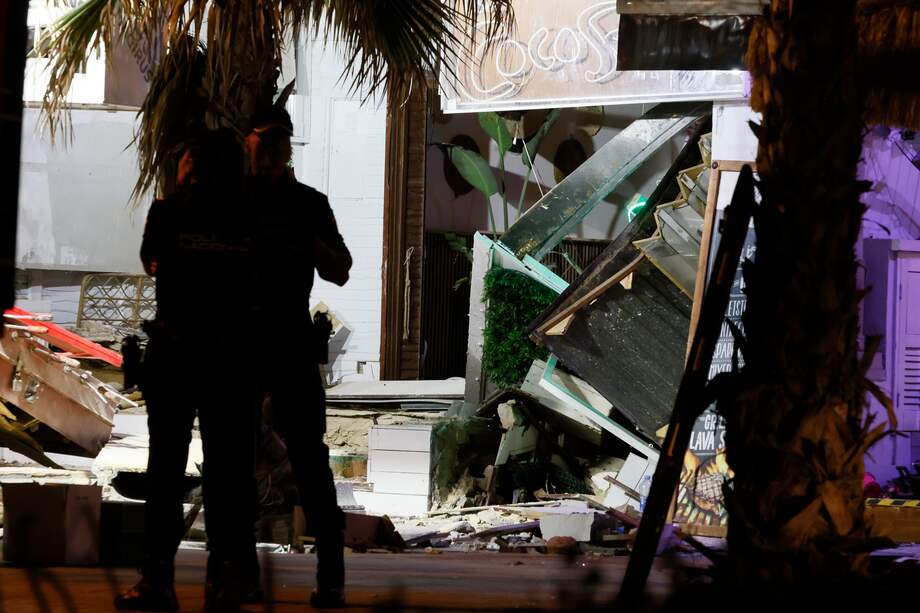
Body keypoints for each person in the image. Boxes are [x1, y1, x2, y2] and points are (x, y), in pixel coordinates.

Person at [116, 129, 258, 612]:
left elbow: (152, 262)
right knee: (228, 476)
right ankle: (222, 583)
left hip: (177, 353)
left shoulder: (168, 212)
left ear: (191, 167)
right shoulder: (248, 215)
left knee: (165, 472)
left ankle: (158, 580)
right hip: (230, 357)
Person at [245, 106, 351, 608]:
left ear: (287, 147)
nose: (267, 152)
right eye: (260, 143)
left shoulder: (307, 203)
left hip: (286, 342)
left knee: (311, 462)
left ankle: (331, 577)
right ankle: (239, 573)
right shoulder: (234, 201)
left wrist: (306, 240)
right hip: (242, 344)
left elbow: (341, 269)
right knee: (235, 463)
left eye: (275, 143)